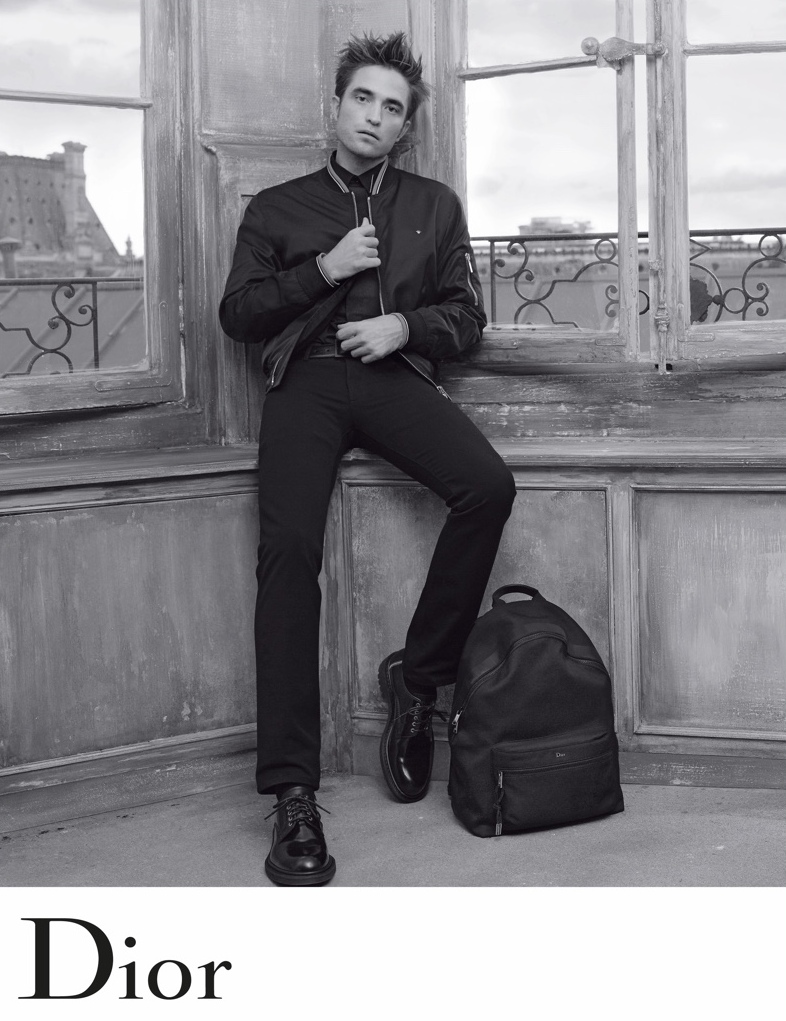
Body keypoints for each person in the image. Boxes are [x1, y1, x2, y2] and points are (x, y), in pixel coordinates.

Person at [219, 31, 515, 886]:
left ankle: (417, 682)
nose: (375, 117)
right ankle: (293, 795)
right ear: (337, 105)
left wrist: (403, 326)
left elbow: (466, 316)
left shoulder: (433, 205)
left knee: (488, 486)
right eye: (363, 99)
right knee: (288, 554)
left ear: (405, 127)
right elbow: (239, 315)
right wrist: (323, 268)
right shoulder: (276, 208)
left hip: (389, 375)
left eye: (392, 107)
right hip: (307, 385)